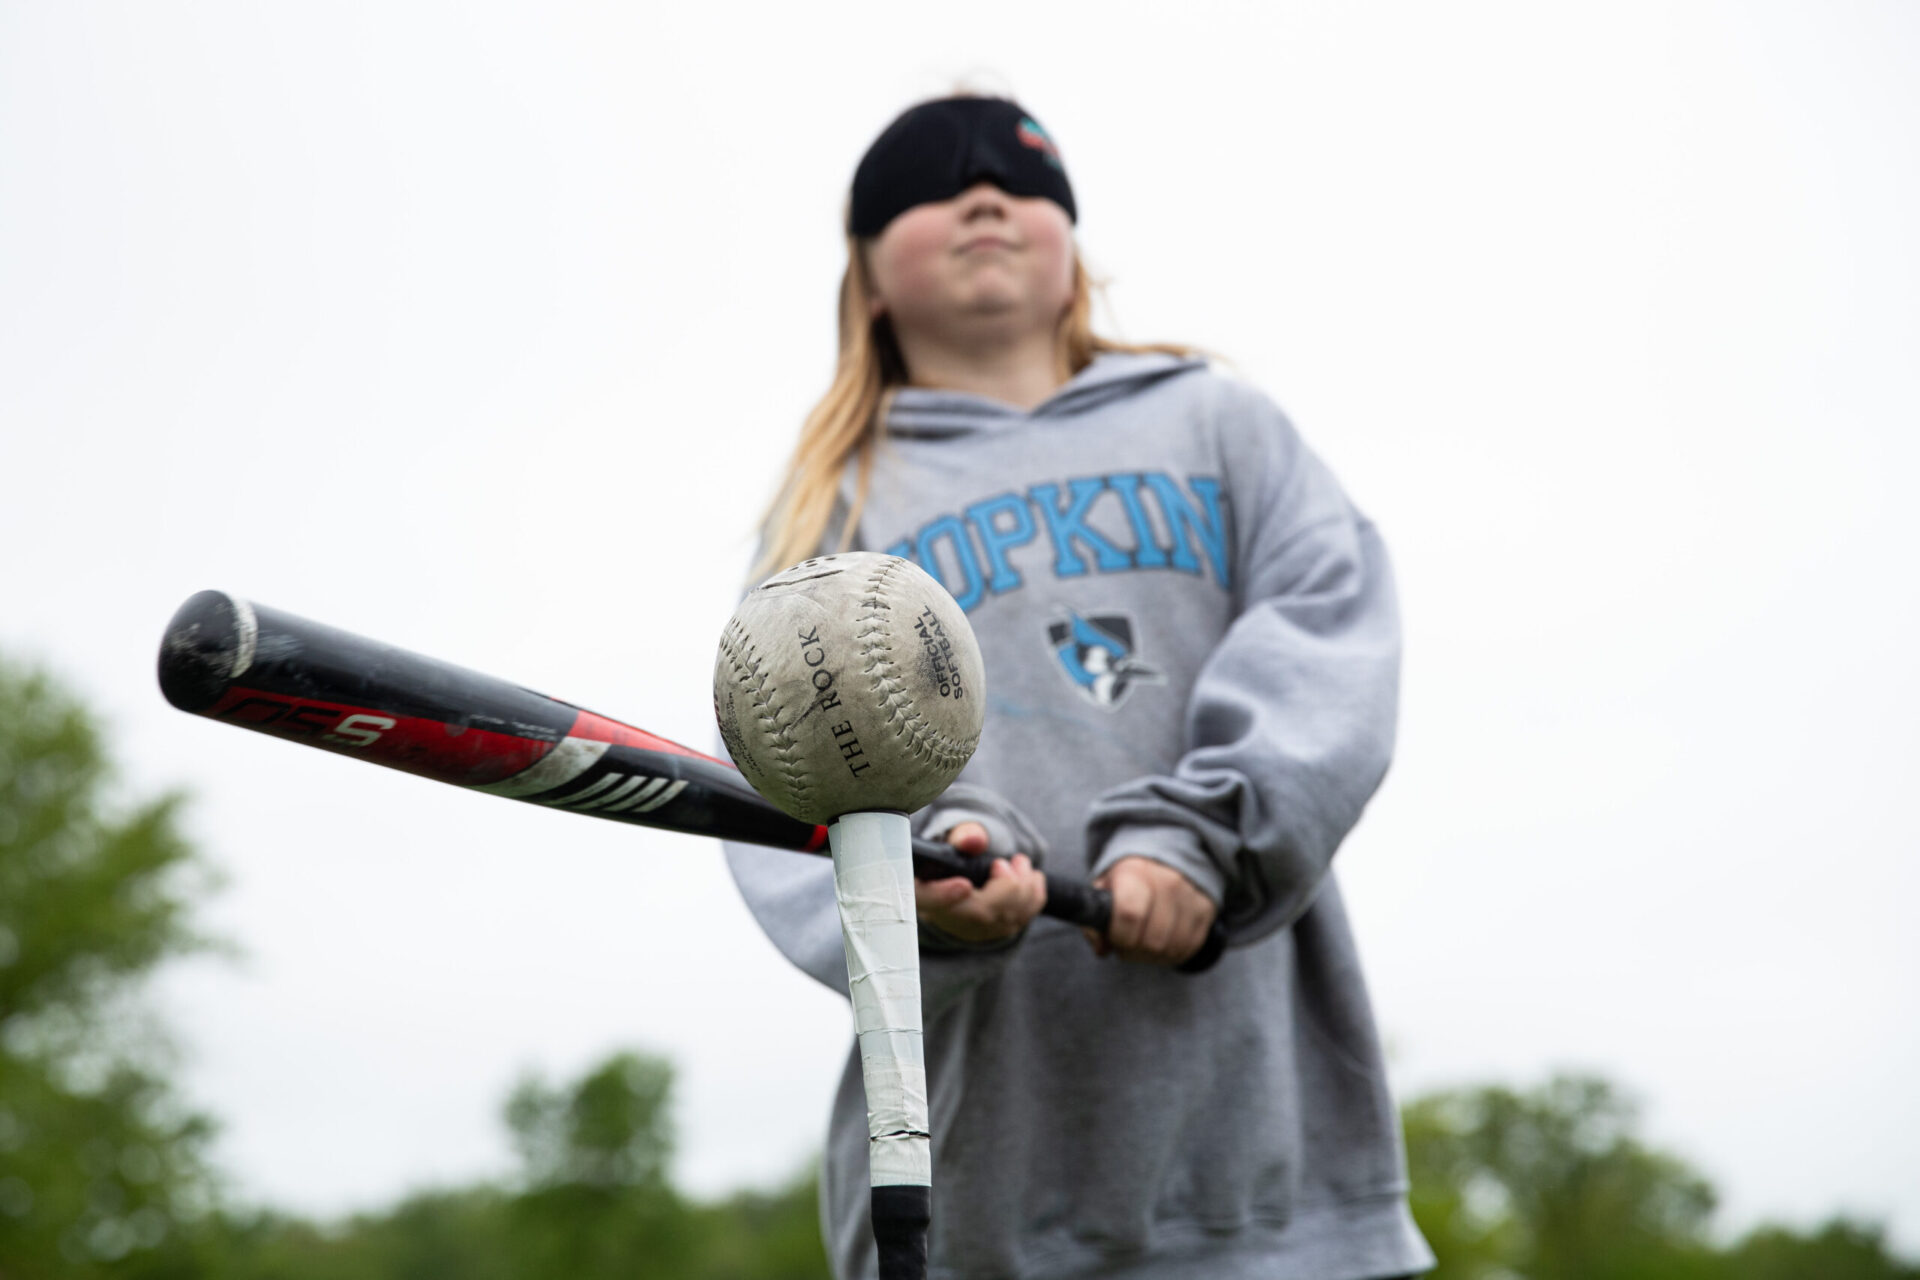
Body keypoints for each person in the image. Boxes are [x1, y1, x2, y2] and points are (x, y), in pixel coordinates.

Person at [723, 94, 1434, 1280]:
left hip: (1265, 1176)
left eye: (1020, 177)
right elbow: (783, 759)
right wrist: (931, 874)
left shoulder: (1219, 423)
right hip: (980, 1191)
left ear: (1073, 255)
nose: (984, 193)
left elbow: (1330, 638)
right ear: (868, 274)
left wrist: (1199, 841)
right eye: (930, 183)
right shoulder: (834, 502)